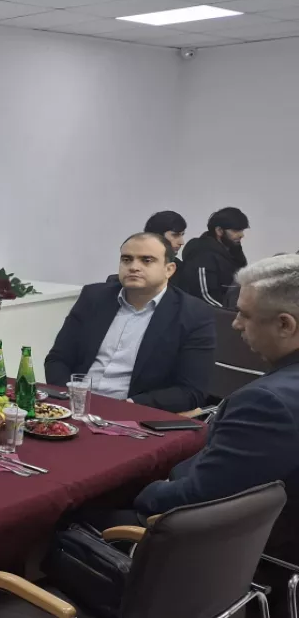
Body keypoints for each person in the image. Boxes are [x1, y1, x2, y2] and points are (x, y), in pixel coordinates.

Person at [134, 254, 299, 617]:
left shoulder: (268, 402)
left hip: (246, 560)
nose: (235, 324)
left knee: (74, 525)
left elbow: (199, 498)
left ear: (285, 325)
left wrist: (140, 492)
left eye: (245, 315)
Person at [45, 233, 216, 413]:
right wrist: (71, 397)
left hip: (133, 414)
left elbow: (191, 391)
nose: (134, 267)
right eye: (127, 260)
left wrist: (127, 407)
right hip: (74, 406)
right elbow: (58, 359)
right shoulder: (94, 298)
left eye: (146, 260)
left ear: (169, 269)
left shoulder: (193, 314)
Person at [178, 207, 250, 307]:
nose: (241, 235)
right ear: (219, 231)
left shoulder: (234, 251)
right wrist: (232, 314)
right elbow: (205, 297)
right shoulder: (202, 255)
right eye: (235, 230)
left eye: (242, 230)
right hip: (212, 314)